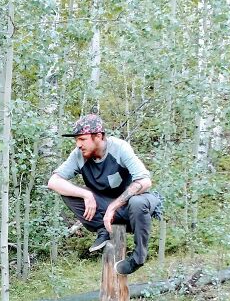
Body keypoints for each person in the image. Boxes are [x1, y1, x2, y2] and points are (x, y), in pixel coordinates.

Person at [47, 114, 162, 275]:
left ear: (98, 136)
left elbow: (145, 181)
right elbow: (53, 182)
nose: (78, 144)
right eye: (76, 140)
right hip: (105, 211)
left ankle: (138, 258)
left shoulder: (119, 148)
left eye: (82, 139)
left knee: (137, 202)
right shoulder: (78, 155)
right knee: (68, 192)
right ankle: (103, 229)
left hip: (132, 209)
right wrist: (86, 195)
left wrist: (113, 207)